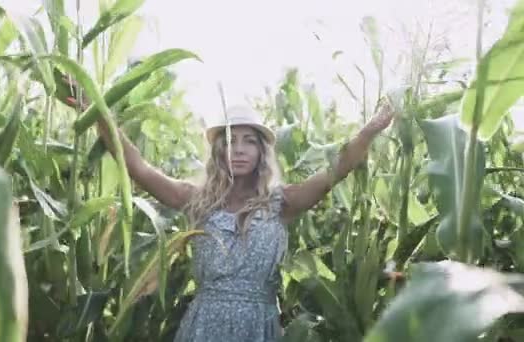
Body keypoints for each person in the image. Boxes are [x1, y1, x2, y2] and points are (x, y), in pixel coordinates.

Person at [66, 85, 394, 341]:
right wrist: (98, 112)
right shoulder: (196, 200)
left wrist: (369, 131)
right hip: (204, 326)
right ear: (219, 150)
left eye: (248, 141)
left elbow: (335, 171)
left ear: (260, 152)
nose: (237, 148)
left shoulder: (283, 203)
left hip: (259, 327)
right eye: (229, 140)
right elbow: (139, 166)